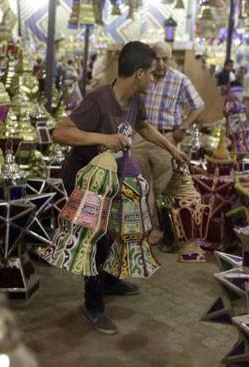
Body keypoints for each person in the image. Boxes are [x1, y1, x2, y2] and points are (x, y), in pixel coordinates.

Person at [52, 41, 188, 335]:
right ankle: (93, 304)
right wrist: (103, 137)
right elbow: (60, 132)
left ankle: (110, 281)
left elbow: (143, 127)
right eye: (152, 73)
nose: (155, 77)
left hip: (113, 178)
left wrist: (172, 149)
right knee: (97, 242)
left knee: (116, 232)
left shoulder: (135, 99)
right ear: (139, 73)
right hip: (85, 178)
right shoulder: (99, 99)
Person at [131, 41, 204, 249]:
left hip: (166, 140)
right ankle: (144, 227)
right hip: (140, 138)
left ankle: (165, 232)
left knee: (163, 189)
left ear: (171, 59)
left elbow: (198, 105)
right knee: (139, 185)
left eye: (166, 59)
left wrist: (184, 127)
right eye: (157, 59)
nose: (161, 64)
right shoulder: (142, 76)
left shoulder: (180, 80)